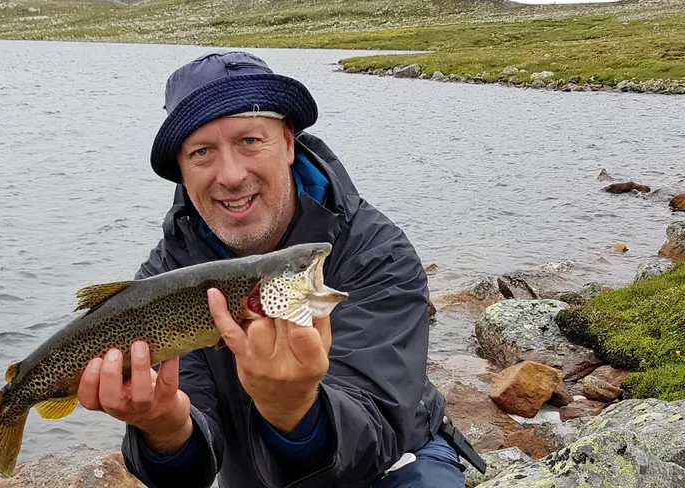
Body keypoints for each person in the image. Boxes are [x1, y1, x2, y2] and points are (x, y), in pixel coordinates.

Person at [76, 50, 475, 488]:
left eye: (249, 141)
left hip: (397, 462)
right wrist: (165, 429)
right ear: (182, 173)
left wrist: (295, 409)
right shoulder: (165, 276)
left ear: (288, 143)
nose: (230, 175)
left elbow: (377, 429)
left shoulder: (374, 251)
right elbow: (192, 467)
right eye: (202, 151)